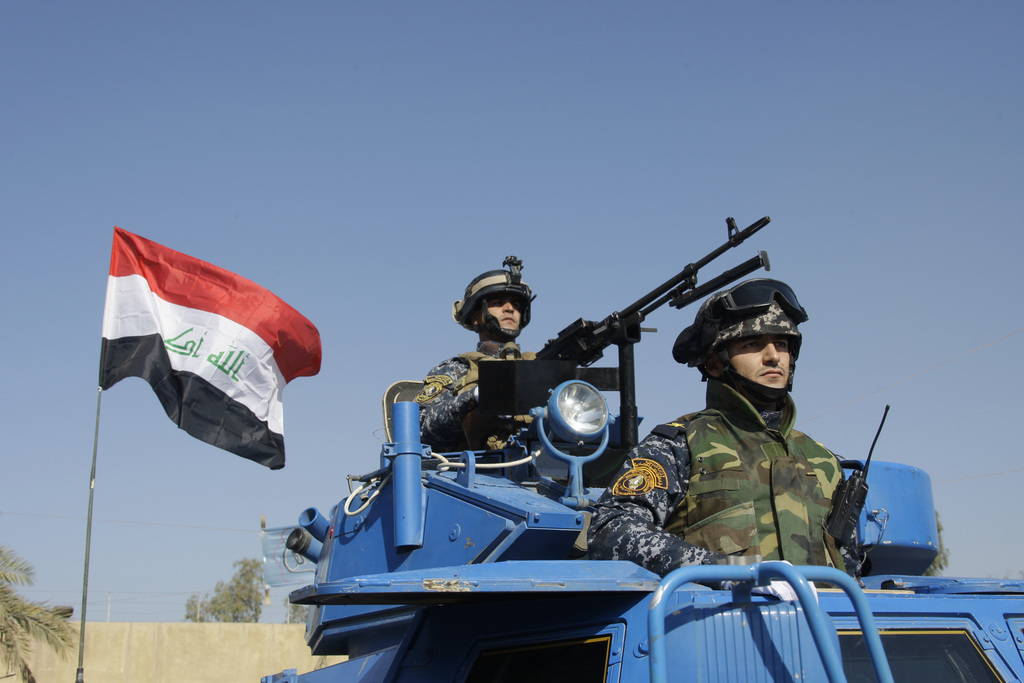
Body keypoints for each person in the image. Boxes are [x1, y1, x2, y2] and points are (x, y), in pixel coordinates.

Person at [587, 278, 859, 577]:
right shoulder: (681, 444)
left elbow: (850, 568)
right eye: (752, 344)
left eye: (781, 344)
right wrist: (724, 572)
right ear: (715, 364)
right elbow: (612, 530)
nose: (773, 356)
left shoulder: (825, 461)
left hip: (824, 621)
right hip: (719, 620)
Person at [415, 256, 536, 453]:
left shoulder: (538, 369)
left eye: (516, 304)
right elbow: (421, 431)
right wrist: (477, 395)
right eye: (498, 302)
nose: (510, 309)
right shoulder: (456, 369)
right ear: (474, 316)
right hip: (470, 474)